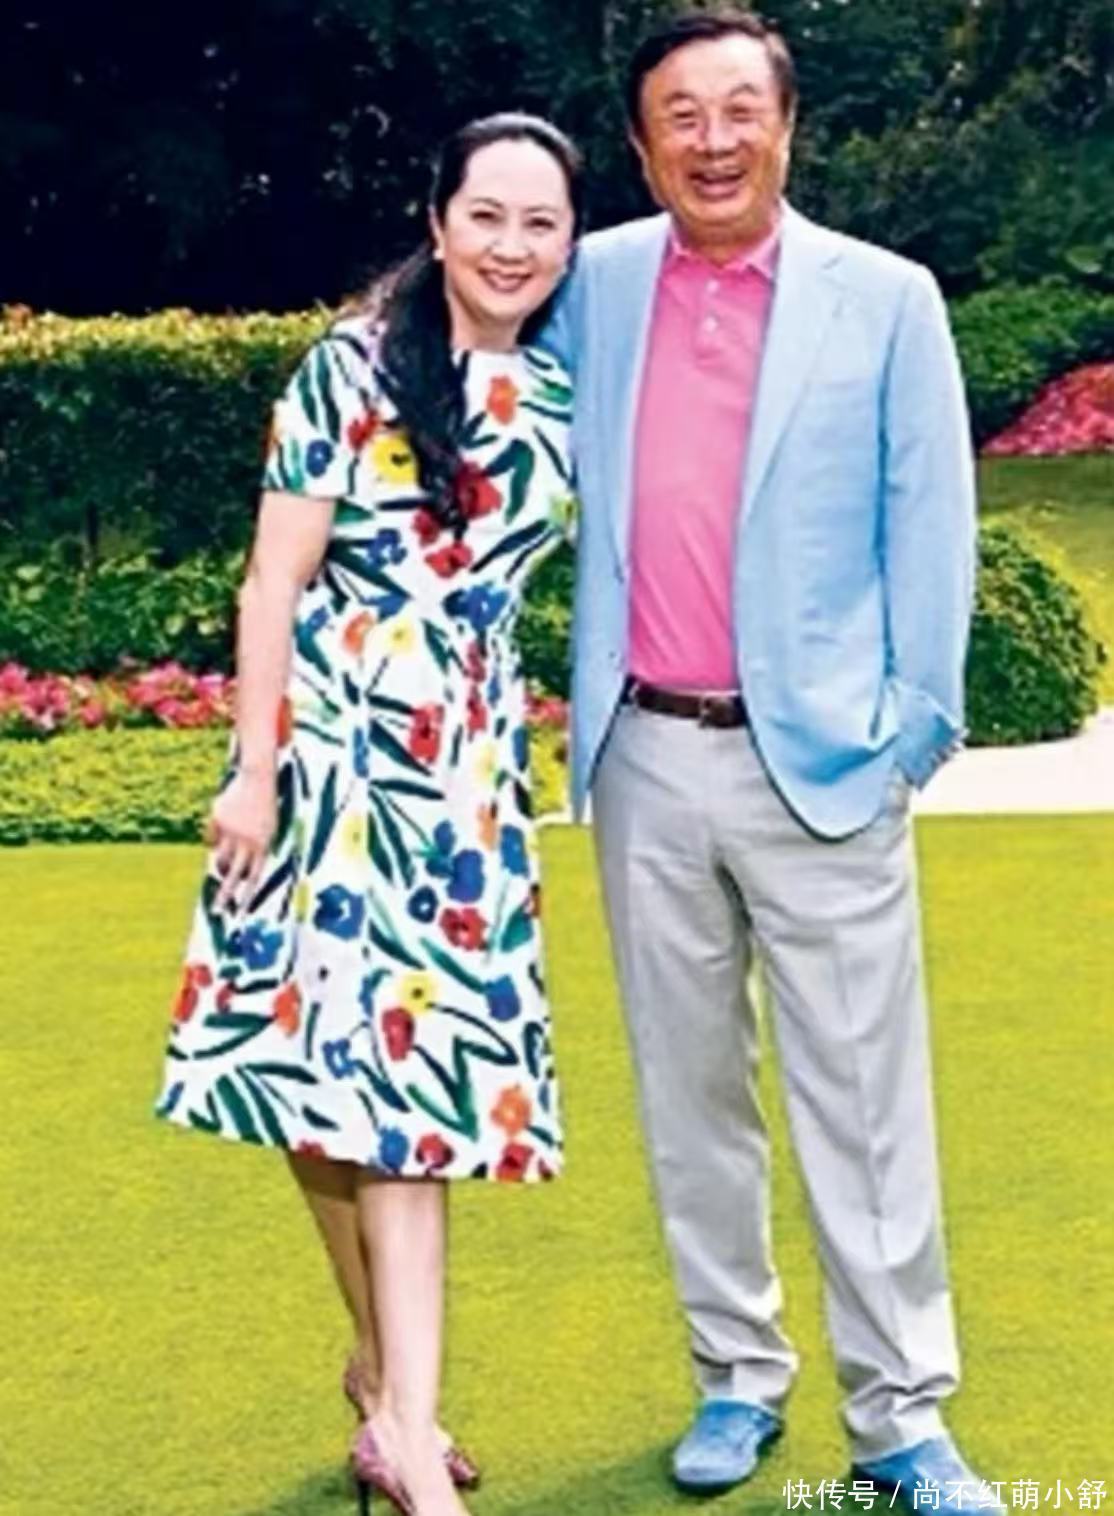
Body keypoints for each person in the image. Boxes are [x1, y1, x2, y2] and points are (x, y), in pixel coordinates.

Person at [545, 10, 1003, 1507]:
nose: (713, 139)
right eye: (681, 115)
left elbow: (931, 523)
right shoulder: (595, 282)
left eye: (739, 108)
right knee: (690, 1099)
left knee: (864, 1101)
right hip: (644, 757)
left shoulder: (886, 298)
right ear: (640, 145)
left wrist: (911, 734)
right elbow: (453, 351)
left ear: (787, 126)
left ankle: (900, 1416)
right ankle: (734, 1378)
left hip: (826, 768)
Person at [155, 112, 581, 1516]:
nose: (511, 245)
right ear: (437, 220)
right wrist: (253, 770)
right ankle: (401, 1410)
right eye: (487, 215)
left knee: (409, 1097)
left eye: (541, 222)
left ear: (568, 242)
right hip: (331, 756)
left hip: (465, 774)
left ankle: (395, 1404)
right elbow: (271, 581)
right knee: (321, 1084)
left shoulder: (564, 393)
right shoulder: (349, 366)